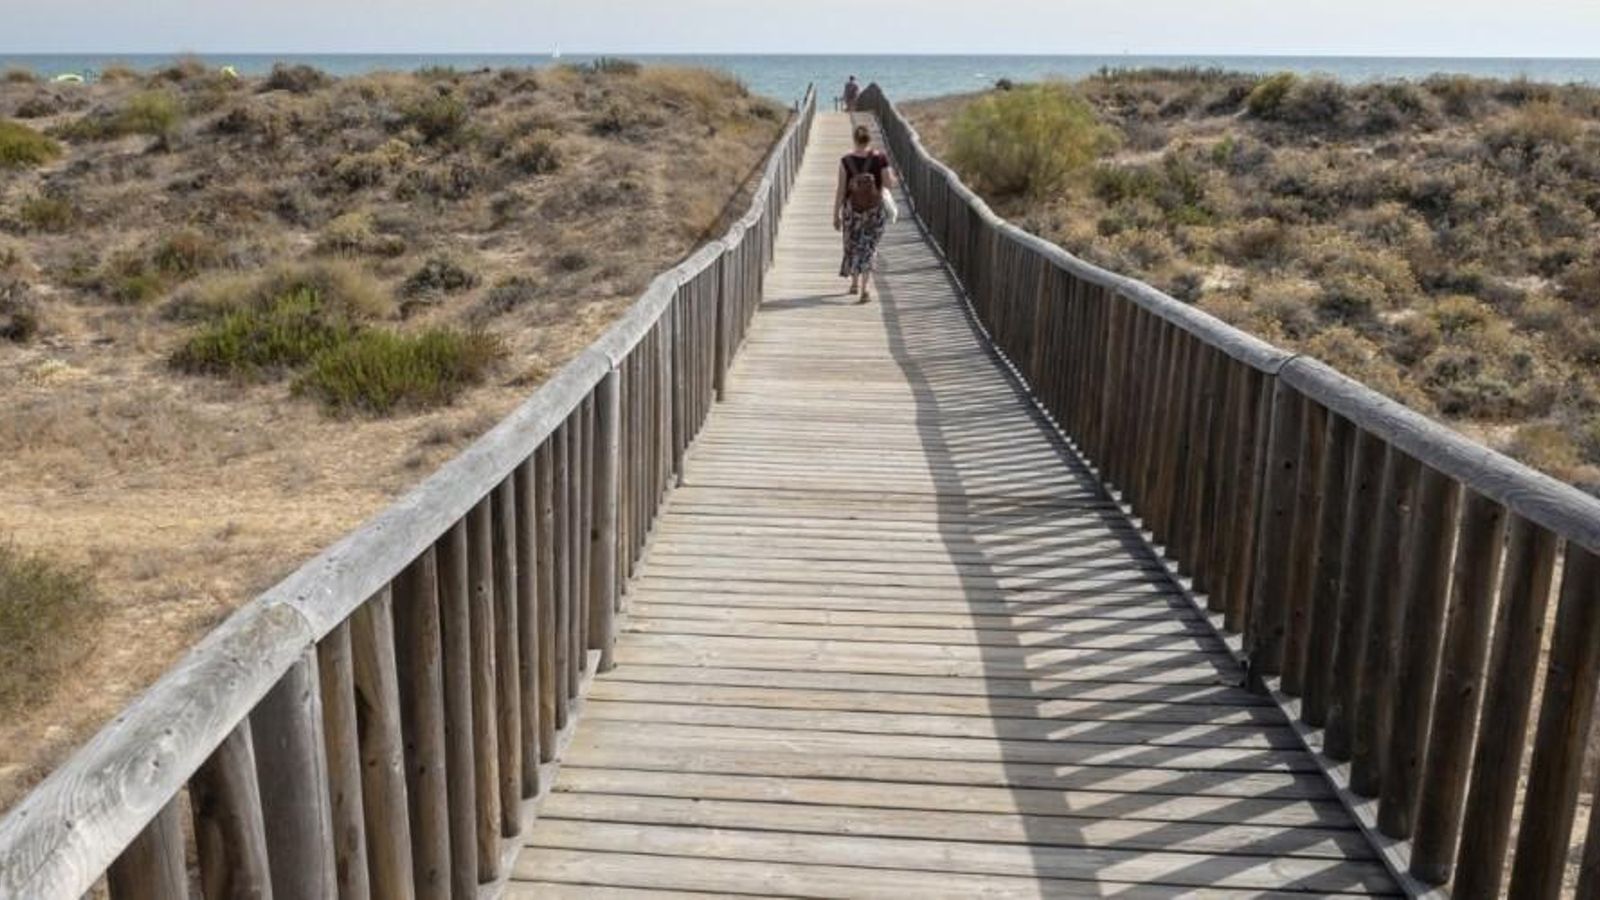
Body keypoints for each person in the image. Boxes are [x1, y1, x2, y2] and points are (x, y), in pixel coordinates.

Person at [833, 123, 896, 303]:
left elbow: (841, 190)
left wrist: (835, 214)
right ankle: (865, 288)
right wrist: (892, 178)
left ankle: (854, 283)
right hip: (874, 211)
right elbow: (889, 184)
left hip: (852, 211)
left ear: (854, 139)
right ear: (869, 139)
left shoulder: (846, 161)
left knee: (853, 245)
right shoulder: (880, 158)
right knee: (869, 247)